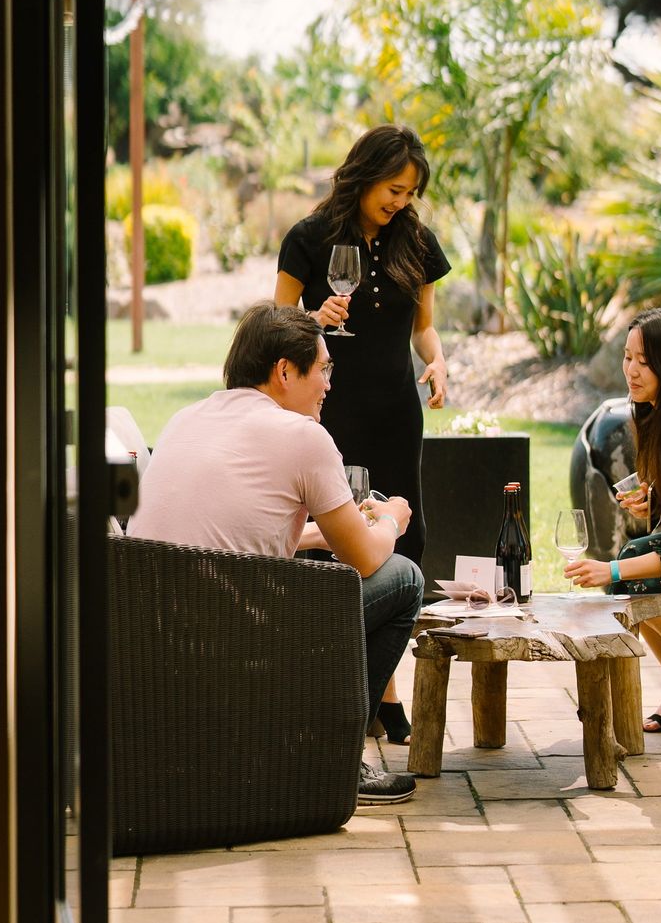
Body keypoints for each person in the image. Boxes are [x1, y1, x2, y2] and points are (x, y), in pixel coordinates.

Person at [125, 301, 425, 806]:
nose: (330, 383)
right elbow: (368, 560)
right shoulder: (302, 436)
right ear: (284, 370)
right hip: (232, 643)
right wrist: (393, 518)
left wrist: (314, 535)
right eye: (324, 368)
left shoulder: (187, 417)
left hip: (153, 637)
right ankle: (337, 758)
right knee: (405, 578)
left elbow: (229, 530)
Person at [275, 124, 450, 745]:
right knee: (334, 537)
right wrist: (311, 321)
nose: (400, 201)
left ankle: (382, 686)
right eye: (392, 188)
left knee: (401, 533)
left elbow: (423, 327)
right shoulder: (309, 237)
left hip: (396, 411)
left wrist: (437, 358)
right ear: (364, 173)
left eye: (409, 192)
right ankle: (355, 687)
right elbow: (276, 327)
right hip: (329, 411)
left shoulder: (416, 242)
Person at [564, 307, 661, 744]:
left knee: (630, 574)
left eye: (645, 361)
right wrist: (656, 504)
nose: (631, 372)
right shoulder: (655, 418)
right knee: (634, 563)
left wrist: (612, 571)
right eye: (627, 357)